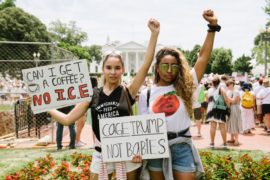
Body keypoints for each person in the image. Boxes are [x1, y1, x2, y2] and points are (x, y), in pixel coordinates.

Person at [49, 18, 160, 180]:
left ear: (123, 70)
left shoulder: (128, 91)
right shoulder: (92, 95)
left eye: (117, 68)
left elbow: (145, 65)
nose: (113, 72)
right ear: (103, 69)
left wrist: (154, 35)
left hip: (128, 153)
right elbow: (67, 119)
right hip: (101, 153)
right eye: (109, 68)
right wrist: (46, 106)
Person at [139, 9, 219, 180]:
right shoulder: (146, 94)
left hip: (181, 145)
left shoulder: (186, 85)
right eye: (164, 65)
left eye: (174, 65)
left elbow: (203, 57)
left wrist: (212, 27)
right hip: (156, 149)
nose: (169, 70)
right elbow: (143, 128)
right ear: (157, 67)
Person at [206, 76, 229, 148]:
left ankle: (212, 143)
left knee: (213, 126)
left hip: (211, 110)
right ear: (219, 82)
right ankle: (225, 143)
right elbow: (226, 99)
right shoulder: (221, 89)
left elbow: (207, 100)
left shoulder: (209, 90)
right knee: (222, 126)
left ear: (212, 83)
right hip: (220, 109)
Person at [75, 76, 98, 148]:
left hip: (86, 110)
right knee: (80, 125)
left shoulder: (91, 90)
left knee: (81, 126)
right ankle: (77, 141)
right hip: (84, 110)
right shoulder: (89, 90)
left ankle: (78, 140)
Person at [226, 79, 243, 146]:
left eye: (229, 84)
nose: (228, 86)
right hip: (230, 108)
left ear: (232, 84)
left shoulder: (236, 92)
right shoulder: (228, 92)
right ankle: (232, 138)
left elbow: (234, 101)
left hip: (235, 108)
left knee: (235, 124)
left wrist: (226, 97)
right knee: (230, 123)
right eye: (227, 85)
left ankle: (236, 140)